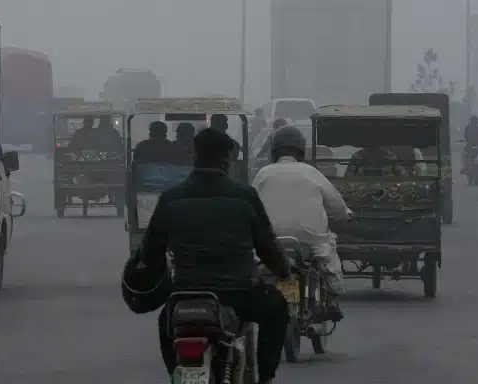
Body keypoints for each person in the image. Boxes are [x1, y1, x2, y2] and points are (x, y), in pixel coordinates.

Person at [138, 128, 291, 382]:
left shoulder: (170, 198)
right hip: (239, 293)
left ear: (194, 155)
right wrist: (283, 271)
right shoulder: (245, 197)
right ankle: (264, 378)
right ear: (226, 159)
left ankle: (175, 374)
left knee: (166, 323)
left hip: (185, 294)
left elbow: (150, 253)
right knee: (277, 310)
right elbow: (268, 248)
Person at [251, 124, 349, 320]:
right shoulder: (312, 172)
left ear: (274, 149)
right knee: (328, 252)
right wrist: (345, 216)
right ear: (301, 149)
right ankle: (330, 300)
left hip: (272, 240)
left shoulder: (263, 173)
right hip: (310, 240)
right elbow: (337, 207)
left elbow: (250, 205)